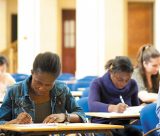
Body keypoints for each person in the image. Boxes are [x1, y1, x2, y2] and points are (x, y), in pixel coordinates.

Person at [0, 52, 86, 126]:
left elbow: (81, 116)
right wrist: (16, 122)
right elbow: (1, 122)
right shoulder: (14, 91)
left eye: (48, 84)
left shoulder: (62, 89)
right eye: (38, 82)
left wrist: (65, 117)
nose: (42, 88)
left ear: (55, 79)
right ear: (32, 72)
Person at [88, 56, 142, 136]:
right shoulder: (98, 83)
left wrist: (141, 109)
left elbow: (135, 106)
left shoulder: (132, 84)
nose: (123, 83)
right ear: (111, 72)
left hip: (124, 125)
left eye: (127, 80)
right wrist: (113, 108)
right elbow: (92, 105)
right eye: (120, 79)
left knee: (136, 132)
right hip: (103, 125)